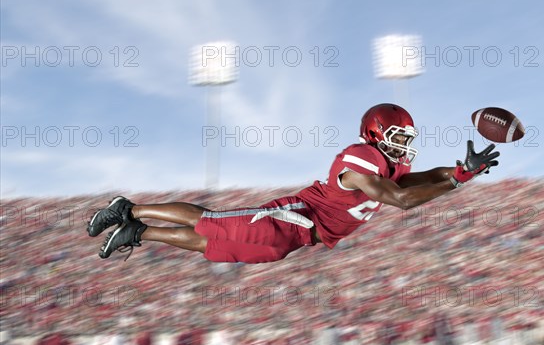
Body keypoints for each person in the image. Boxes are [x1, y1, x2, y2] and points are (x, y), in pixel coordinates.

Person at [88, 103, 499, 263]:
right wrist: (458, 181)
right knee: (210, 222)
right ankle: (130, 207)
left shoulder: (390, 164)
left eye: (406, 139)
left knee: (214, 248)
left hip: (300, 240)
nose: (404, 146)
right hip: (292, 218)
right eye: (397, 137)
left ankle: (139, 232)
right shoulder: (362, 157)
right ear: (375, 133)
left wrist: (462, 170)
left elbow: (424, 180)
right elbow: (400, 200)